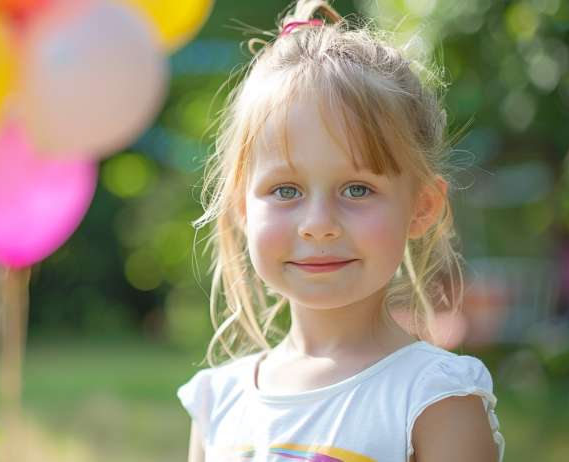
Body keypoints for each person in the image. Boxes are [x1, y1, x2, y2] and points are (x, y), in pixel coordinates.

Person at [177, 1, 505, 461]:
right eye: (285, 190)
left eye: (356, 189)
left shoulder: (433, 400)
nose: (318, 225)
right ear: (242, 209)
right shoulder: (217, 401)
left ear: (422, 207)